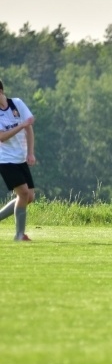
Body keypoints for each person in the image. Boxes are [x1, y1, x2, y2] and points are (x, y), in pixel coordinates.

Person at [0, 80, 37, 242]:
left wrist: (30, 153)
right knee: (22, 193)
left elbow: (29, 127)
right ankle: (19, 235)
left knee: (29, 197)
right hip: (5, 160)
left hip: (21, 158)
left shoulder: (17, 103)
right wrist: (21, 125)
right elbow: (2, 137)